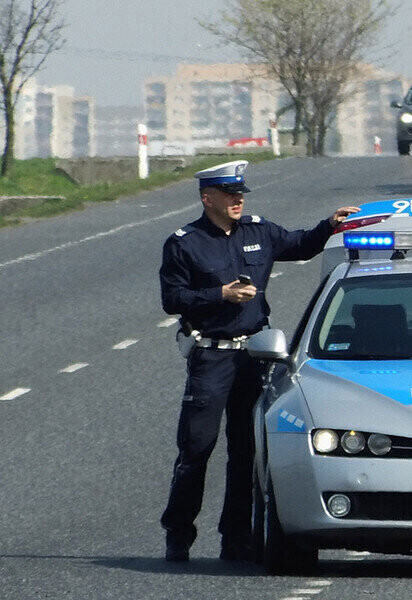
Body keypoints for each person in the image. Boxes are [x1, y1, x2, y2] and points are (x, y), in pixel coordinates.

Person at [158, 159, 359, 562]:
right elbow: (172, 299)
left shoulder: (258, 230)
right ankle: (178, 533)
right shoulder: (184, 242)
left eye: (241, 194)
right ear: (207, 198)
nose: (238, 200)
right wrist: (221, 296)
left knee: (247, 450)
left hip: (255, 356)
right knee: (197, 447)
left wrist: (330, 224)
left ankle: (236, 537)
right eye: (230, 194)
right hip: (211, 357)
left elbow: (300, 245)